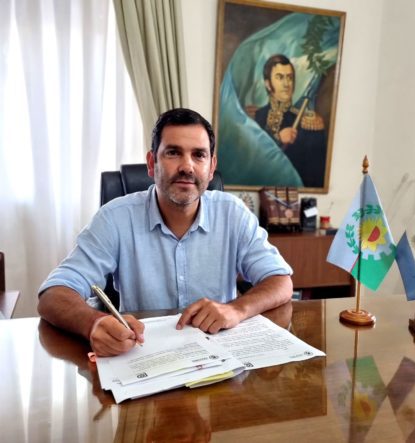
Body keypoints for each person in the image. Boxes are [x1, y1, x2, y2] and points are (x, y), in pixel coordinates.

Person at [38, 108, 293, 357]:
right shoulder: (115, 218)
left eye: (199, 155)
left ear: (211, 167)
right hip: (143, 355)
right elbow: (54, 294)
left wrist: (237, 309)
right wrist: (94, 323)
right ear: (152, 163)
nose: (187, 166)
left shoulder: (233, 214)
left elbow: (281, 281)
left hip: (219, 357)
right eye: (173, 153)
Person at [254, 54, 327, 188]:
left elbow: (314, 173)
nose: (286, 84)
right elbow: (252, 158)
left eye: (289, 77)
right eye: (280, 77)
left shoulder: (305, 121)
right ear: (268, 84)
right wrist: (278, 138)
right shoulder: (257, 116)